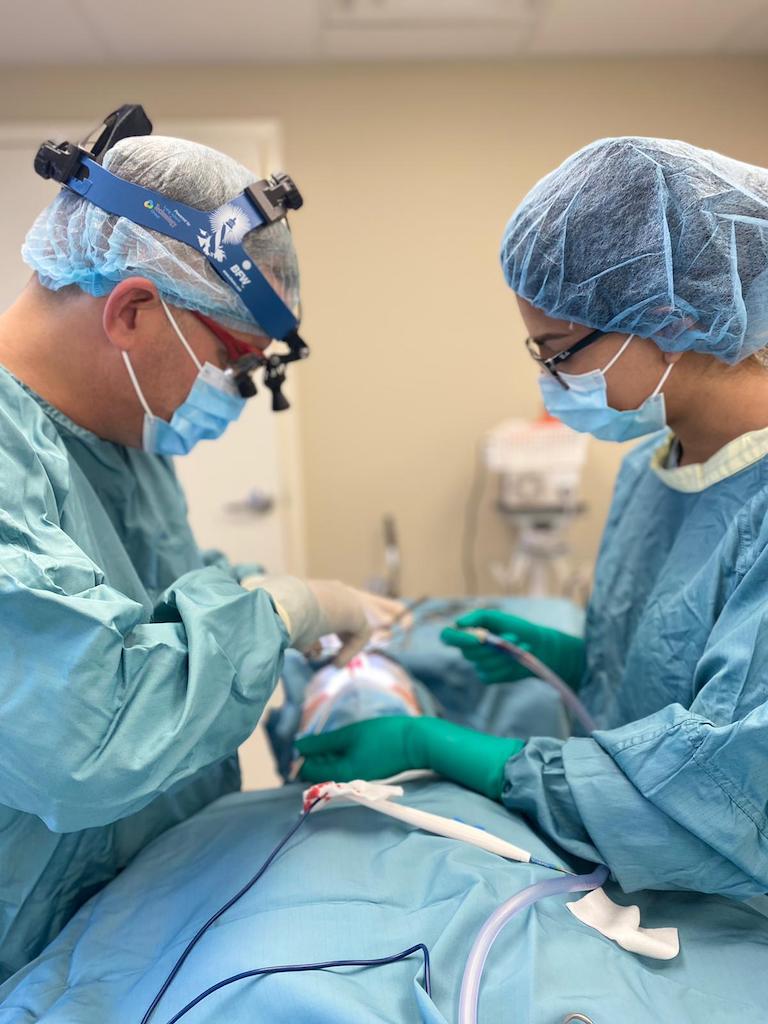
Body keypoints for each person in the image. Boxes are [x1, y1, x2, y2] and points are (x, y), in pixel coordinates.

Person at [298, 137, 768, 900]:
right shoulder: (656, 465)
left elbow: (724, 797)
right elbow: (690, 675)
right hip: (629, 871)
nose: (548, 379)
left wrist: (443, 747)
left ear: (669, 317)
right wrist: (582, 660)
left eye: (559, 352)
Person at [0, 125, 402, 982]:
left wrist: (285, 613)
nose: (239, 396)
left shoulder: (116, 447)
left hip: (139, 918)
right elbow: (88, 735)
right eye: (234, 363)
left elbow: (153, 605)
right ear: (133, 310)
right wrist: (283, 611)